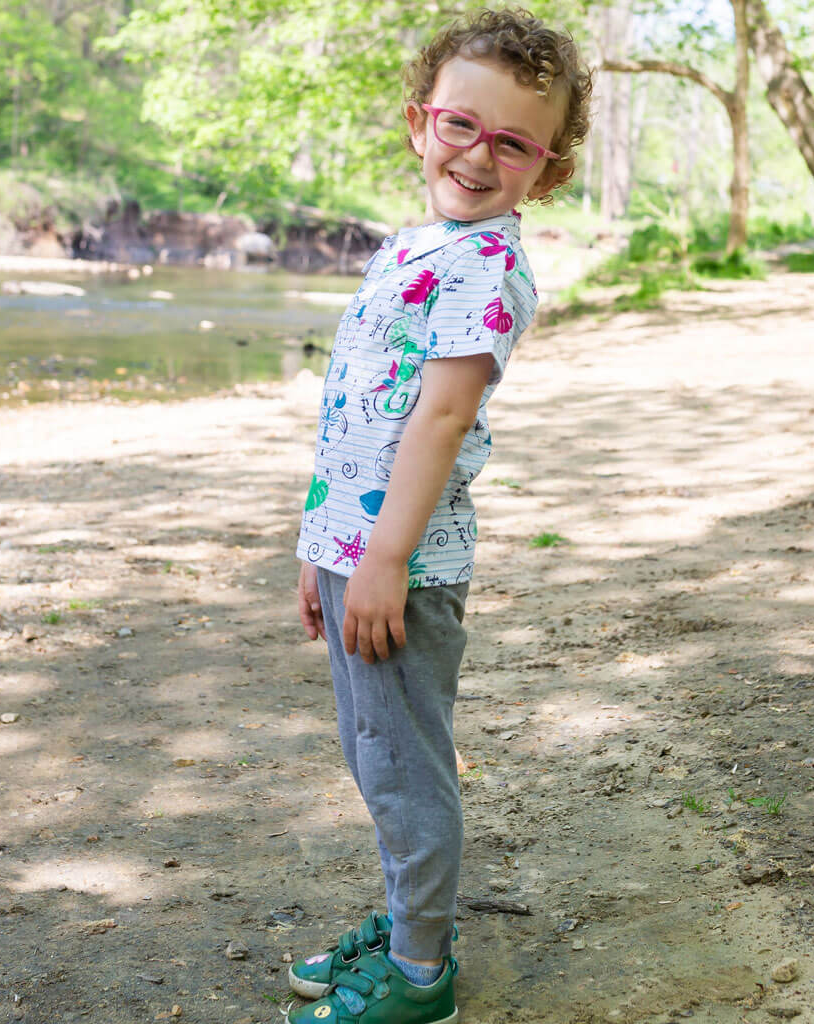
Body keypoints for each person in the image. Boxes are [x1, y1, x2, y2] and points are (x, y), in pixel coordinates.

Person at [290, 9, 592, 1023]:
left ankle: (423, 974)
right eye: (462, 125)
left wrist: (380, 558)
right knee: (375, 754)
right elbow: (352, 407)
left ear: (544, 173)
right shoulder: (413, 249)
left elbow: (441, 415)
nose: (478, 155)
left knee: (404, 768)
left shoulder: (486, 270)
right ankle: (409, 920)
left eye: (512, 143)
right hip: (358, 547)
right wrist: (318, 540)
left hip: (403, 564)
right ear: (421, 123)